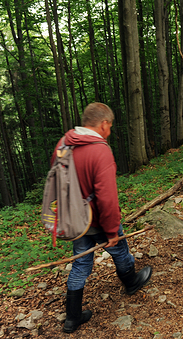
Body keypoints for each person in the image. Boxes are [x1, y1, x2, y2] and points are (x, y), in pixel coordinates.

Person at [50, 102, 152, 333]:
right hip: (96, 220)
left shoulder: (64, 143)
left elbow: (56, 181)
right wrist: (111, 230)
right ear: (104, 124)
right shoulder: (99, 150)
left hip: (75, 220)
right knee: (120, 250)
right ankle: (131, 282)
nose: (110, 130)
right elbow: (106, 198)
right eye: (110, 126)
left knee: (80, 262)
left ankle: (72, 317)